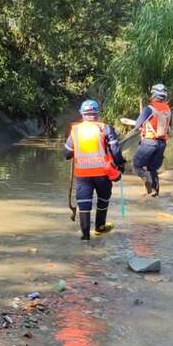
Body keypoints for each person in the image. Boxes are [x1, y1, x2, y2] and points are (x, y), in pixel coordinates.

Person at [64, 100, 125, 241]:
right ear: (97, 114)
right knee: (103, 199)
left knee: (84, 203)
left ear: (82, 114)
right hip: (103, 173)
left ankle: (85, 236)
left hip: (83, 174)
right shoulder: (105, 128)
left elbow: (67, 154)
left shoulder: (75, 130)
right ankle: (99, 227)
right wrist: (120, 164)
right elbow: (115, 150)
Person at [132, 84, 171, 197]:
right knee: (152, 169)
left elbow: (137, 125)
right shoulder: (168, 109)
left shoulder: (149, 108)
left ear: (153, 94)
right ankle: (155, 194)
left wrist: (139, 127)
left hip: (149, 142)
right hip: (162, 143)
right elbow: (168, 126)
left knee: (137, 166)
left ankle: (149, 187)